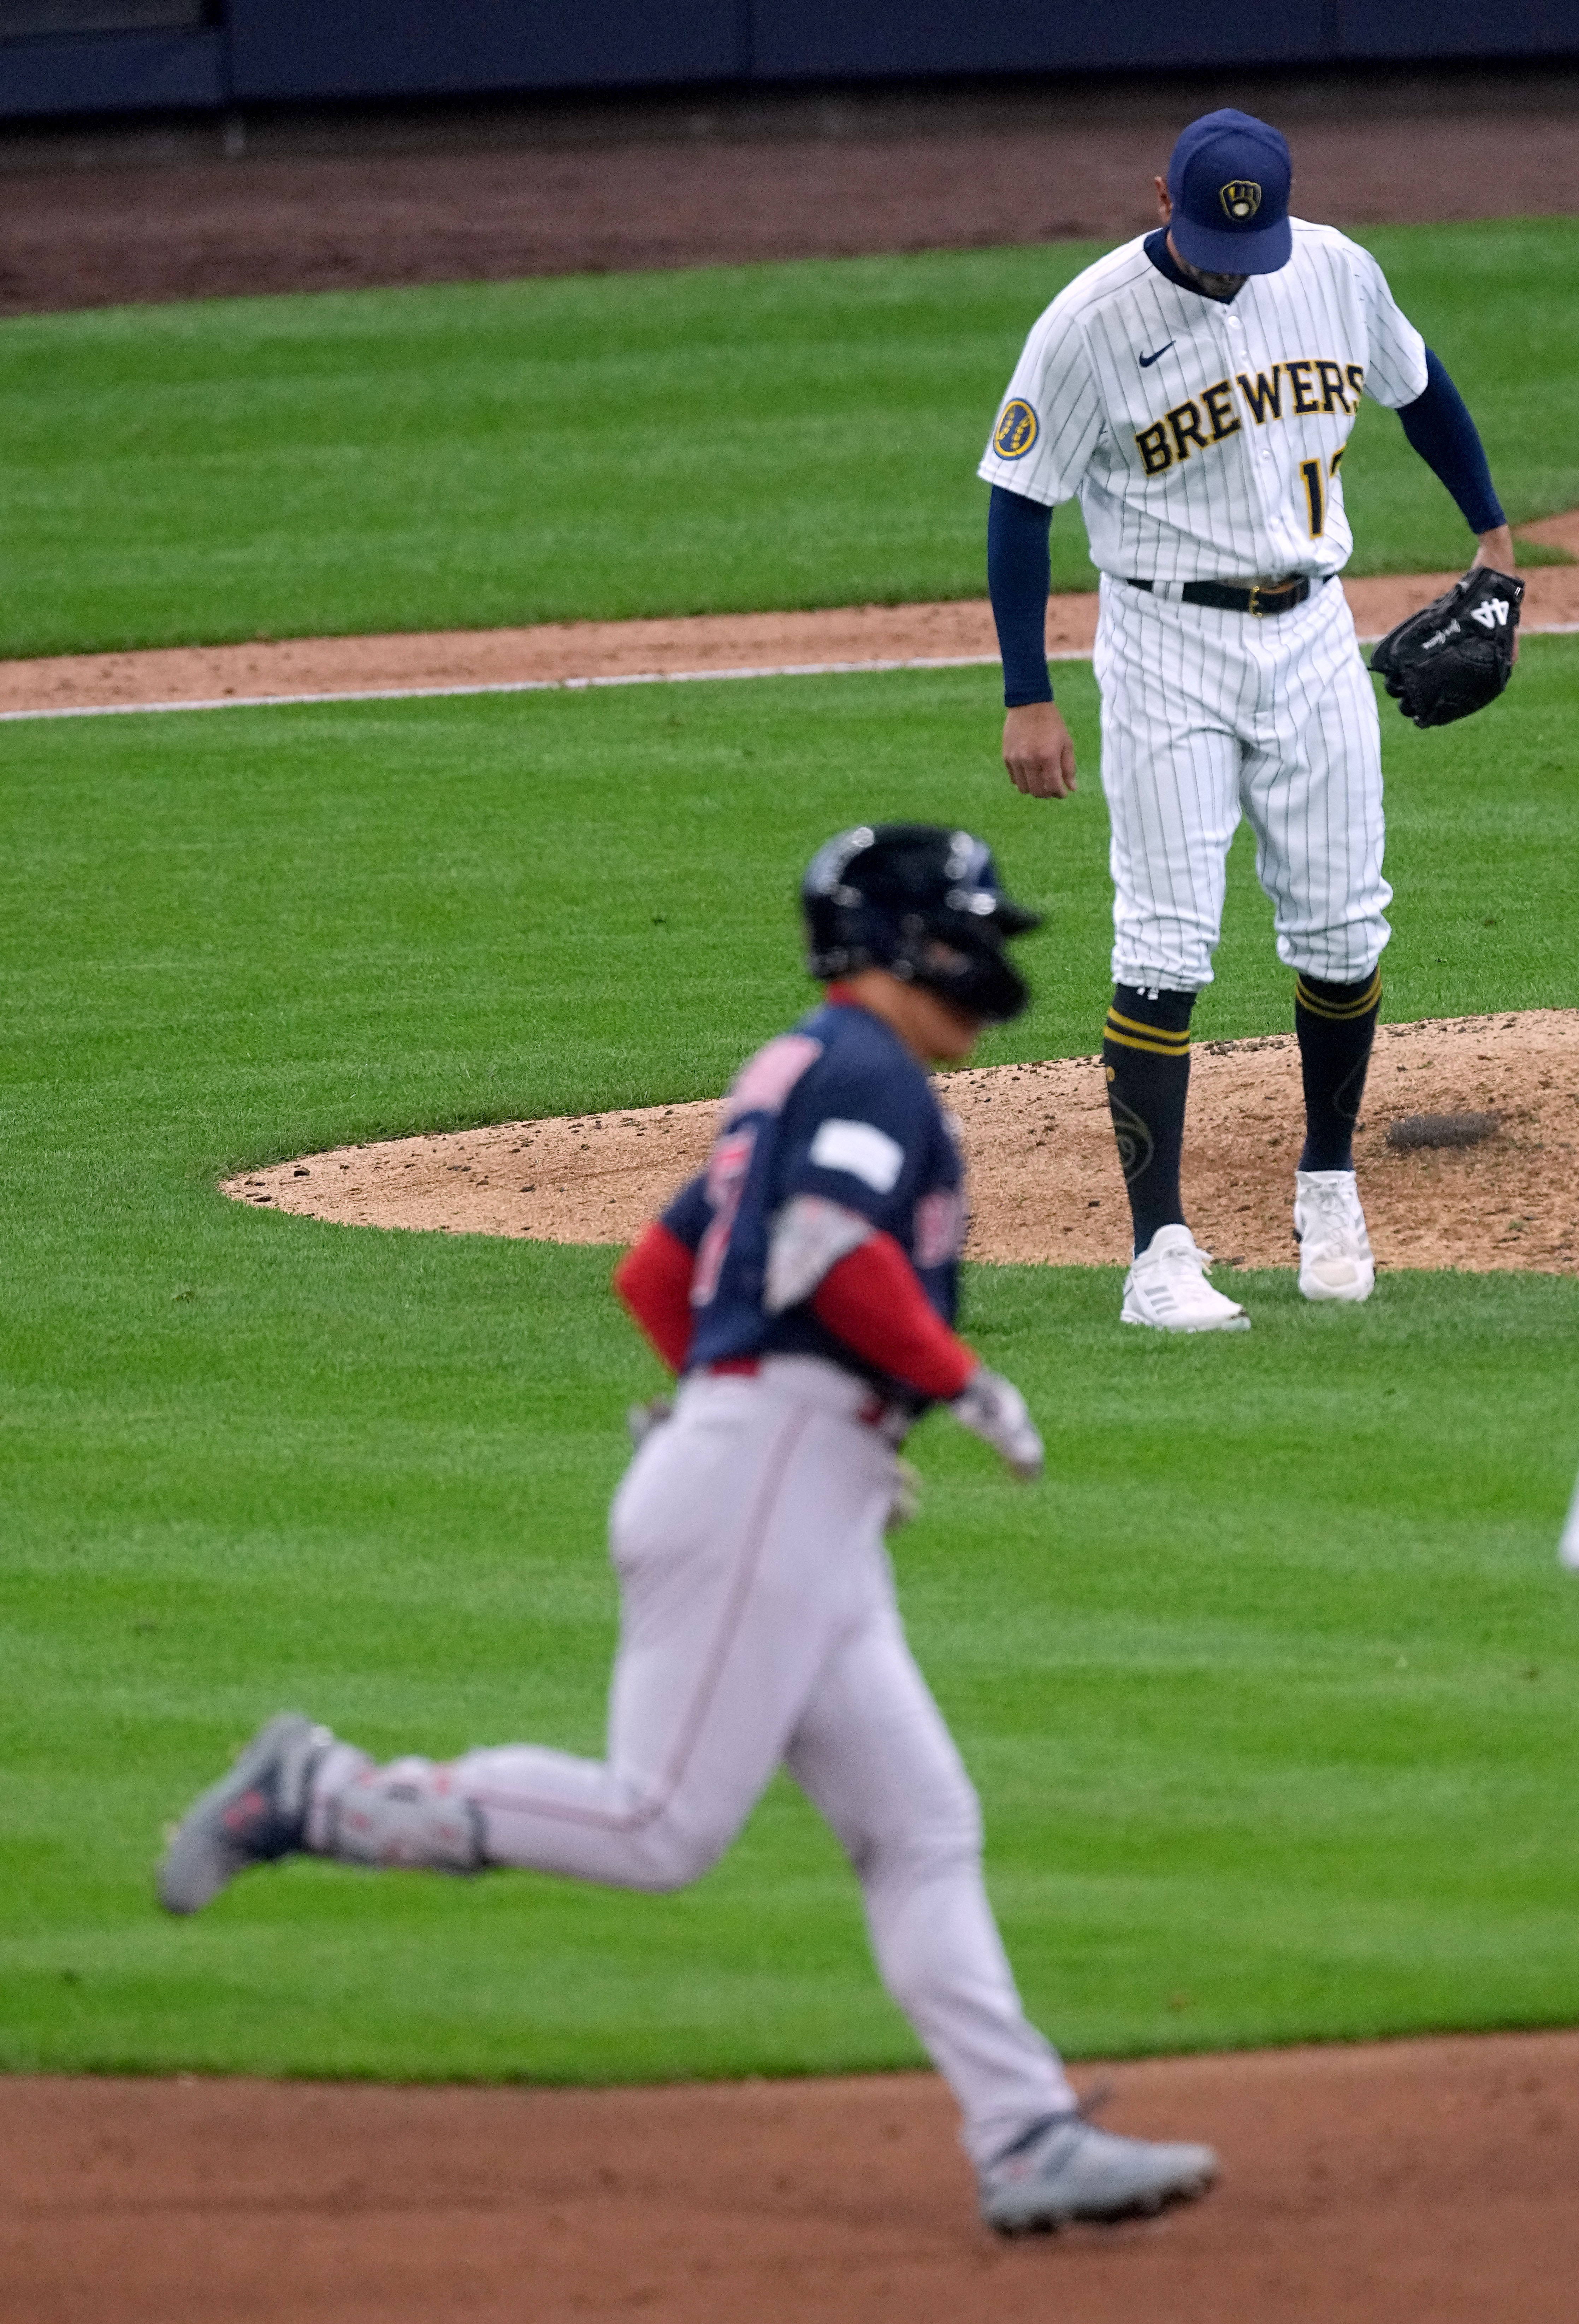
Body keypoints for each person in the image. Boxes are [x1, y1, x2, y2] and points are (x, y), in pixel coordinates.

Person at [158, 823, 1217, 2235]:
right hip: (767, 1474)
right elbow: (825, 1249)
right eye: (962, 935)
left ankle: (1022, 2134)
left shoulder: (795, 1068)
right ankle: (323, 1794)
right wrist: (938, 1385)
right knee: (659, 1823)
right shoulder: (861, 1072)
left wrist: (769, 1420)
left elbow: (662, 1273)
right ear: (897, 946)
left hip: (779, 1476)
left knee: (918, 1824)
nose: (981, 965)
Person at [980, 108, 1517, 1331]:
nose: (1234, 265)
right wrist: (1027, 690)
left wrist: (1490, 531)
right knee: (1165, 946)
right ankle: (1157, 1250)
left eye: (1252, 243)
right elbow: (1020, 504)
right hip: (1167, 646)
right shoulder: (1088, 323)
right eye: (1213, 240)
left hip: (1314, 631)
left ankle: (1329, 1179)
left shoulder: (1331, 270)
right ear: (1161, 196)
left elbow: (1420, 390)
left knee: (1341, 930)